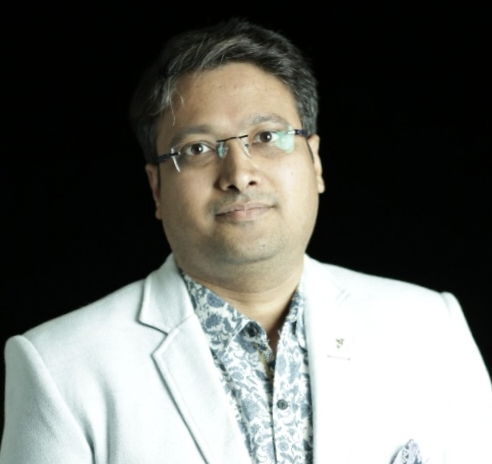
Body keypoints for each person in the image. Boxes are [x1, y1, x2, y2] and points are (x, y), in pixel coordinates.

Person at [1, 18, 491, 464]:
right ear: (157, 188)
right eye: (197, 148)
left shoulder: (431, 328)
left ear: (316, 162)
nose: (239, 174)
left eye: (267, 136)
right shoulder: (61, 368)